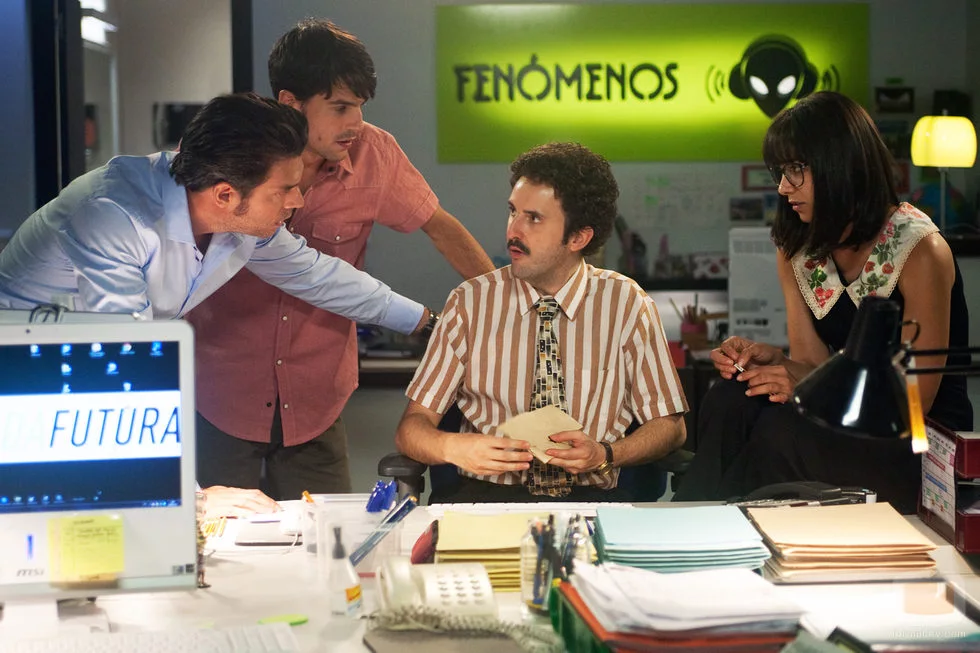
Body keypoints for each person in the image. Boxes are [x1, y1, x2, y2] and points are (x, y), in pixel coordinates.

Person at [0, 92, 435, 516]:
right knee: (70, 536)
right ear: (225, 195)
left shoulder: (231, 213)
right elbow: (126, 366)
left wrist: (427, 323)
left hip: (87, 380)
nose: (297, 201)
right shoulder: (113, 217)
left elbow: (315, 274)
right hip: (28, 383)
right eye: (284, 190)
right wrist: (195, 499)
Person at [186, 19, 494, 501]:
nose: (356, 123)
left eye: (361, 106)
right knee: (216, 536)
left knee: (329, 538)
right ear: (291, 103)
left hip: (316, 401)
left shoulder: (376, 154)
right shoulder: (235, 151)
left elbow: (440, 227)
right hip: (220, 396)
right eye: (341, 107)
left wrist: (507, 303)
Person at [674, 91, 973, 514]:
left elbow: (914, 402)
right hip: (843, 421)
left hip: (918, 442)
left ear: (841, 165)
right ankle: (696, 520)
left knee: (781, 432)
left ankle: (710, 525)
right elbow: (813, 364)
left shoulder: (921, 249)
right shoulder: (797, 247)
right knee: (731, 397)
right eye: (780, 172)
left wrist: (802, 387)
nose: (783, 188)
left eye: (796, 170)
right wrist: (777, 364)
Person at [395, 142, 688, 503]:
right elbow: (411, 428)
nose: (513, 230)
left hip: (590, 499)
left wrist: (606, 454)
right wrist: (452, 446)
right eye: (512, 212)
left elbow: (670, 427)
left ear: (578, 237)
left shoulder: (627, 304)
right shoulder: (469, 302)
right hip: (486, 498)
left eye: (533, 218)